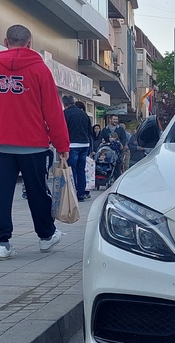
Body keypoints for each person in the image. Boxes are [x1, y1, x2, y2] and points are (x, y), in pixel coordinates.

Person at [0, 24, 69, 260]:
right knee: (38, 191)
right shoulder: (40, 69)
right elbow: (52, 111)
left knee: (1, 193)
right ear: (30, 44)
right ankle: (46, 236)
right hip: (33, 144)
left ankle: (2, 242)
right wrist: (62, 145)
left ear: (6, 41)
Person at [63, 95, 92, 202]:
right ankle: (81, 194)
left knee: (72, 170)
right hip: (84, 145)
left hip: (72, 145)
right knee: (81, 170)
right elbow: (90, 131)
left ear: (65, 104)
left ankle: (73, 194)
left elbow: (62, 130)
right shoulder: (84, 114)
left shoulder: (65, 114)